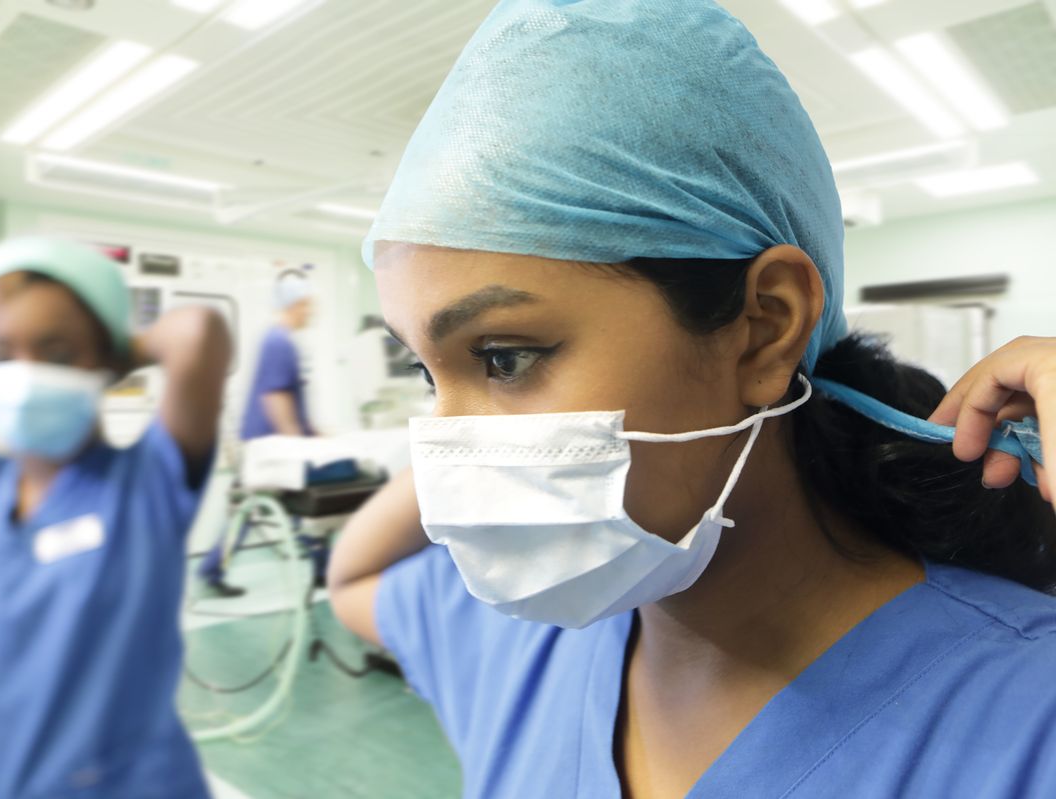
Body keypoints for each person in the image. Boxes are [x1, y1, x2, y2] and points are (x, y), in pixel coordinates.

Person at [326, 2, 1056, 797]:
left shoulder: (1024, 723)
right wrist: (464, 414)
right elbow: (352, 579)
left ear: (764, 327)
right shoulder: (518, 636)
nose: (449, 448)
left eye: (504, 356)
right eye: (426, 374)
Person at [0, 236, 231, 798]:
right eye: (1, 353)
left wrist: (116, 348)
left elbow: (199, 332)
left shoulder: (144, 485)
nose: (25, 375)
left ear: (104, 358)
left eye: (56, 353)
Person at [198, 269, 314, 597]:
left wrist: (312, 431)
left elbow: (292, 395)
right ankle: (211, 571)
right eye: (307, 305)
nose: (311, 312)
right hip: (269, 443)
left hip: (273, 439)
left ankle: (318, 563)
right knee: (254, 509)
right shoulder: (278, 342)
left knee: (271, 507)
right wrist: (295, 442)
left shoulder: (281, 341)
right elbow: (275, 396)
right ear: (294, 305)